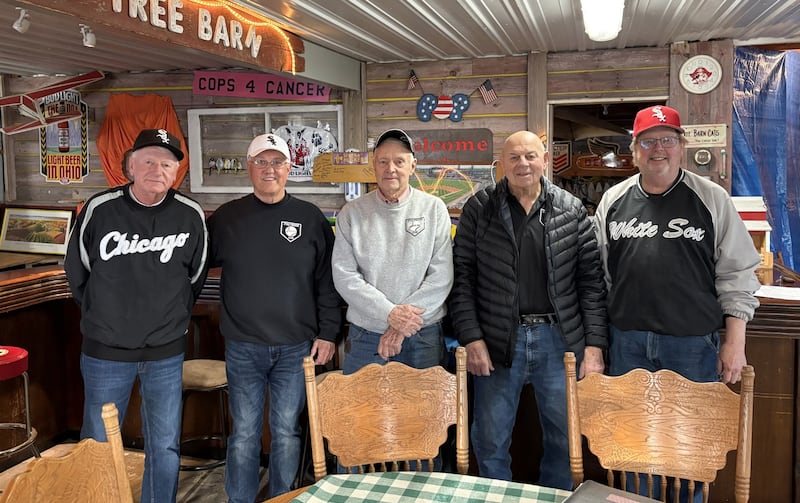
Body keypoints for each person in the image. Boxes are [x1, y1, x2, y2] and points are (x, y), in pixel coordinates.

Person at [593, 105, 761, 502]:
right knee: (632, 444)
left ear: (681, 146)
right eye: (648, 141)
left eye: (667, 139)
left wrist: (734, 342)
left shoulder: (711, 198)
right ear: (634, 150)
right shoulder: (613, 200)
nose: (658, 149)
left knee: (688, 449)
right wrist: (596, 345)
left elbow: (738, 273)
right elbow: (598, 277)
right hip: (627, 341)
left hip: (690, 344)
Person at [449, 130, 607, 490]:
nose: (523, 164)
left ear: (546, 160)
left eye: (531, 156)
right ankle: (496, 498)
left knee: (565, 439)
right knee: (489, 439)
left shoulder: (571, 209)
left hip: (560, 341)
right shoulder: (479, 209)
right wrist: (472, 338)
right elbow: (463, 280)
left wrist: (594, 348)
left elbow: (590, 285)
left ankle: (555, 498)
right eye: (514, 157)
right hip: (498, 341)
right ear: (501, 164)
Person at [65, 128, 209, 503]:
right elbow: (77, 272)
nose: (157, 169)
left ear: (177, 170)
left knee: (164, 445)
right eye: (148, 161)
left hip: (165, 352)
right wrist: (106, 315)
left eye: (166, 163)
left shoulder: (190, 214)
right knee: (97, 442)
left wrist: (168, 317)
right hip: (105, 352)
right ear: (130, 166)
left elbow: (194, 277)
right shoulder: (100, 208)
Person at [206, 133, 340, 501]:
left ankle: (284, 497)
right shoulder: (227, 218)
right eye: (261, 162)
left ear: (289, 167)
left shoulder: (309, 218)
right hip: (243, 346)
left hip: (296, 347)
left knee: (285, 432)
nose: (270, 169)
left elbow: (327, 282)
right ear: (249, 167)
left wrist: (328, 332)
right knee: (245, 433)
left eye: (277, 162)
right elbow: (193, 265)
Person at [332, 129, 453, 373]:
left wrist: (400, 323)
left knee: (425, 411)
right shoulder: (351, 213)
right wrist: (390, 314)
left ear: (412, 166)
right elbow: (344, 276)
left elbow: (441, 277)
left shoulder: (435, 209)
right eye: (383, 161)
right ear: (373, 166)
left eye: (399, 161)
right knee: (364, 411)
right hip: (366, 336)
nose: (391, 169)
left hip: (423, 335)